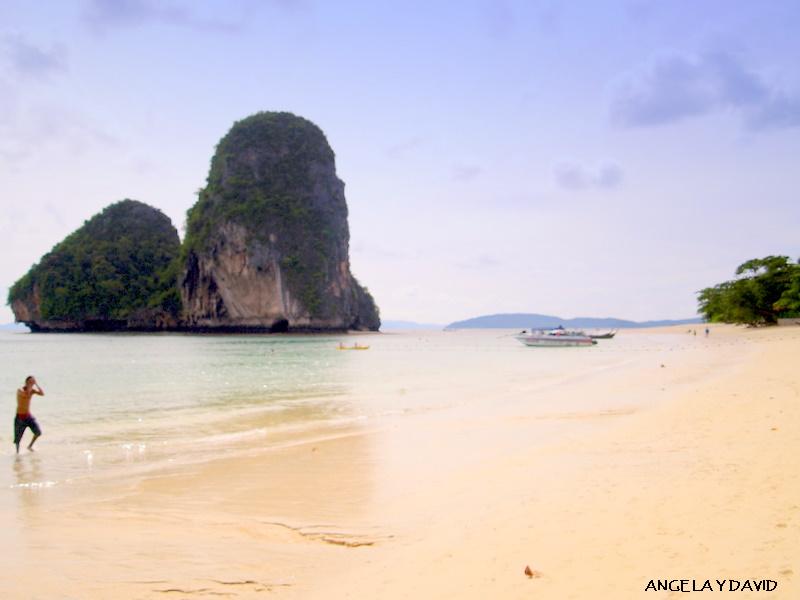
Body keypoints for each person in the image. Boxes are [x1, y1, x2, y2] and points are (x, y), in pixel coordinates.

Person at [14, 375, 44, 454]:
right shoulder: (20, 390)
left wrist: (36, 384)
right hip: (20, 417)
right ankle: (17, 454)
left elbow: (42, 393)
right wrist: (31, 387)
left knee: (38, 432)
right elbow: (25, 395)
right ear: (26, 382)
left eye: (32, 382)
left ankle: (30, 446)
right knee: (17, 439)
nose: (31, 383)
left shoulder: (32, 390)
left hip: (28, 416)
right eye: (30, 381)